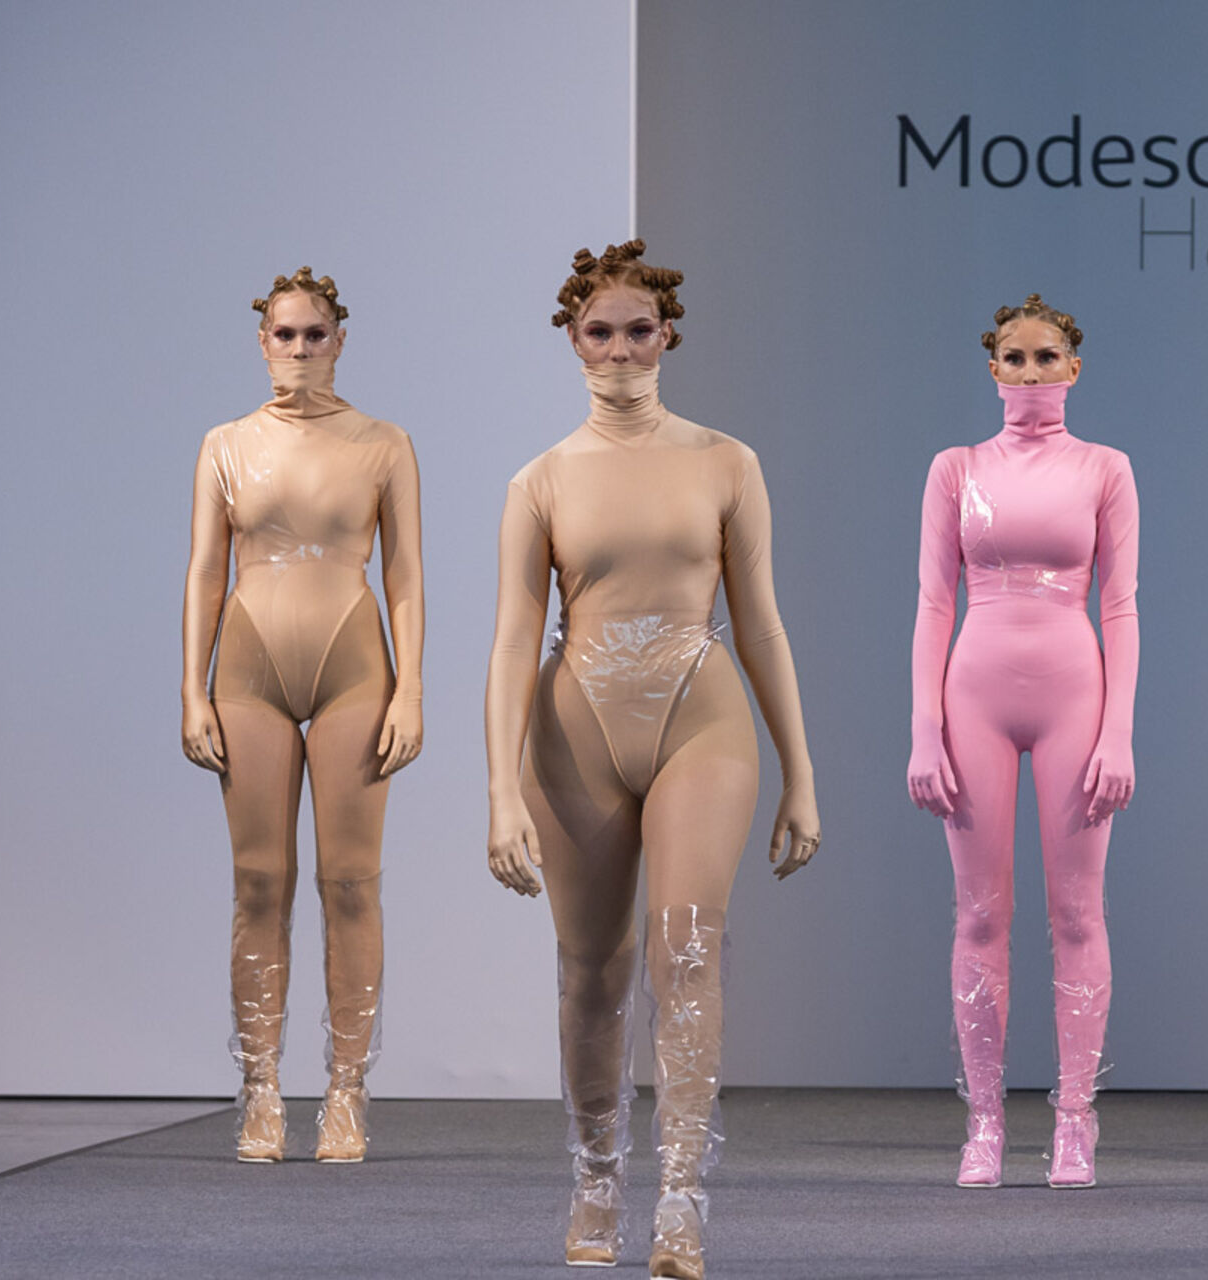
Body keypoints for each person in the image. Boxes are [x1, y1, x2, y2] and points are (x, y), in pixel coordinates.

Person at [484, 241, 820, 1276]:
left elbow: (762, 625)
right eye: (601, 332)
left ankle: (680, 1199)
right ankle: (596, 1179)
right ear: (574, 341)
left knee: (688, 952)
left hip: (699, 721)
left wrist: (802, 774)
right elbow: (511, 642)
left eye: (639, 331)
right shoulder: (540, 481)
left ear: (668, 334)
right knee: (592, 969)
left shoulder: (727, 462)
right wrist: (499, 792)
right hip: (574, 728)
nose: (622, 350)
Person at [180, 267, 424, 1164]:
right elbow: (207, 570)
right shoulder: (225, 445)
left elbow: (404, 574)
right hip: (248, 671)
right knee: (258, 882)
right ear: (261, 342)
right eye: (284, 334)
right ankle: (261, 1091)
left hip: (352, 668)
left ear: (340, 341)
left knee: (351, 882)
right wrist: (191, 689)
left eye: (314, 334)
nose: (298, 349)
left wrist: (411, 688)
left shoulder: (384, 444)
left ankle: (347, 1093)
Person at [909, 294, 1139, 1190]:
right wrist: (924, 729)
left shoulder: (1105, 468)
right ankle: (985, 1124)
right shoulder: (955, 468)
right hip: (975, 694)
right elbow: (935, 602)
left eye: (1047, 357)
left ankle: (1075, 1121)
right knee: (980, 914)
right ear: (993, 367)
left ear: (1074, 367)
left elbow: (1120, 606)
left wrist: (1118, 732)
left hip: (1074, 691)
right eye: (1015, 357)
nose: (1032, 371)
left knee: (1079, 912)